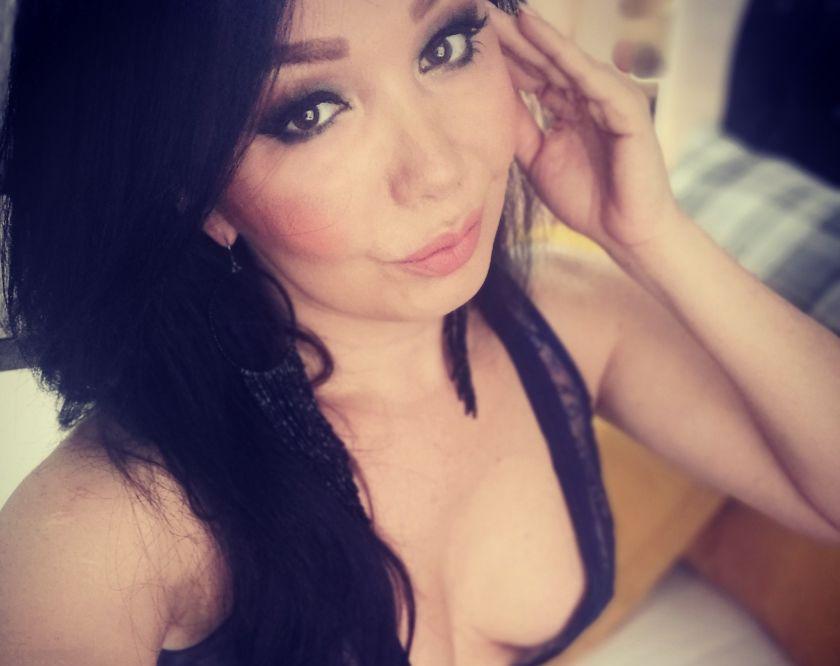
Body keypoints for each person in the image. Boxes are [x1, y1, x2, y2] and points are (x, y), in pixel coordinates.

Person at [1, 1, 838, 665]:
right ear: (193, 189)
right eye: (310, 111)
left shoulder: (570, 316)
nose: (440, 170)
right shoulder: (106, 532)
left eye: (446, 45)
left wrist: (652, 236)